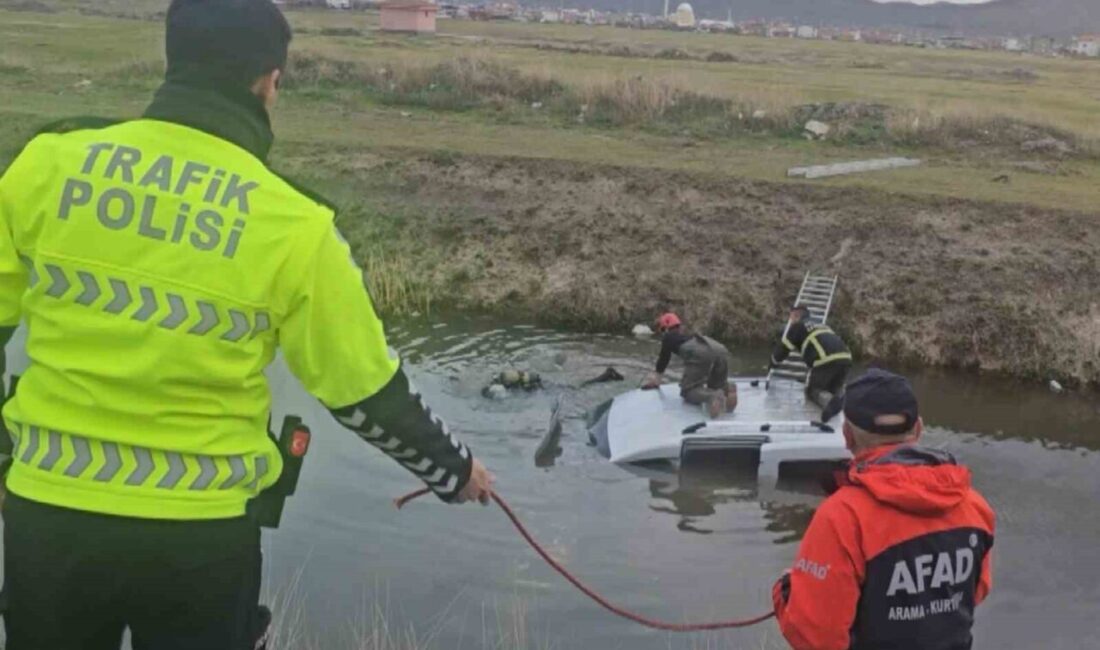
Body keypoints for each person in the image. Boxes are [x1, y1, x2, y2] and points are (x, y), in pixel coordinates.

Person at [0, 1, 493, 648]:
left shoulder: (47, 165)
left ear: (173, 61)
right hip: (200, 538)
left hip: (48, 520)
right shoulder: (294, 224)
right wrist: (453, 470)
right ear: (268, 82)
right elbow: (362, 389)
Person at [772, 369, 995, 650]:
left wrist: (785, 592)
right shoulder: (974, 506)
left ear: (847, 436)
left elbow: (815, 637)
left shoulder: (842, 517)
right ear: (918, 429)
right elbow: (976, 591)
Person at [643, 312, 737, 419]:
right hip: (718, 348)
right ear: (679, 326)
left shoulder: (668, 338)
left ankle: (712, 396)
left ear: (665, 328)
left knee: (688, 391)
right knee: (716, 385)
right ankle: (728, 388)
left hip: (700, 352)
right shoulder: (687, 335)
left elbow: (663, 361)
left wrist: (655, 381)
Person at [770, 304, 852, 422]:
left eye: (791, 317)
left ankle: (830, 402)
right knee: (833, 389)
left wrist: (772, 362)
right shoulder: (821, 324)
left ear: (797, 315)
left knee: (812, 390)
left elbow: (783, 350)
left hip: (825, 360)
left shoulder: (798, 326)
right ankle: (840, 403)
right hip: (846, 358)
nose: (791, 321)